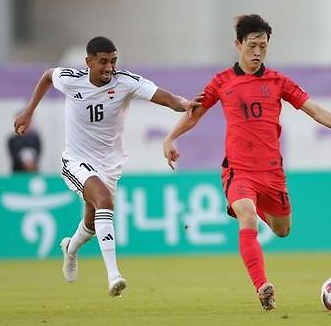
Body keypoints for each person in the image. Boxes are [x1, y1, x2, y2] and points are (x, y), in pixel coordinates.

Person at [163, 14, 331, 310]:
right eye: (252, 45)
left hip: (272, 173)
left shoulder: (278, 81)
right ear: (238, 44)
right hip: (238, 170)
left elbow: (315, 111)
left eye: (263, 46)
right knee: (247, 214)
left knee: (282, 230)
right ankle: (262, 286)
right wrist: (170, 138)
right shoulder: (221, 82)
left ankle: (252, 212)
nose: (257, 52)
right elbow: (195, 113)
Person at [14, 36, 200, 297]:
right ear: (88, 62)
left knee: (91, 222)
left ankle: (70, 249)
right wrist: (29, 111)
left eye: (113, 61)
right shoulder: (71, 80)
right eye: (102, 62)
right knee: (104, 201)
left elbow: (165, 97)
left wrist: (184, 104)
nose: (109, 68)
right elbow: (47, 76)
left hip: (110, 165)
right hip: (77, 161)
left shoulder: (125, 82)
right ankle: (114, 276)